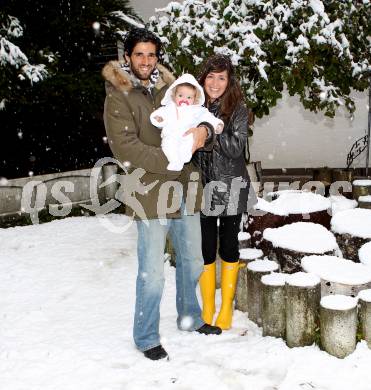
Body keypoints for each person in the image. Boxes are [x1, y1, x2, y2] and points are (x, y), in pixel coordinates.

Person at [102, 28, 222, 361]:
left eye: (151, 54)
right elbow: (125, 148)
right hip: (150, 192)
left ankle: (189, 317)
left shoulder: (171, 88)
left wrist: (204, 131)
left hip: (185, 187)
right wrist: (171, 159)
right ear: (127, 57)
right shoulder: (118, 96)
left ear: (158, 58)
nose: (145, 60)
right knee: (152, 271)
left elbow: (202, 117)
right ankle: (145, 335)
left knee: (193, 259)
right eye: (138, 54)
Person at [194, 54, 258, 330]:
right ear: (203, 79)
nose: (216, 83)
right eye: (211, 77)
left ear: (229, 81)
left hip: (231, 185)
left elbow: (235, 149)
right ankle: (208, 305)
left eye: (222, 77)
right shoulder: (193, 106)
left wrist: (210, 130)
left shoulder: (238, 109)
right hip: (203, 186)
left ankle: (226, 308)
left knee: (229, 244)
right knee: (206, 247)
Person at [150, 73, 224, 171]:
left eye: (189, 98)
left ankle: (185, 155)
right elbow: (160, 114)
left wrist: (217, 124)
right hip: (171, 134)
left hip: (187, 133)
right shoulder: (169, 107)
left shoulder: (196, 109)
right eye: (180, 95)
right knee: (168, 145)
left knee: (190, 141)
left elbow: (208, 117)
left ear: (195, 99)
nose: (184, 100)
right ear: (174, 95)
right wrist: (158, 118)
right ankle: (175, 161)